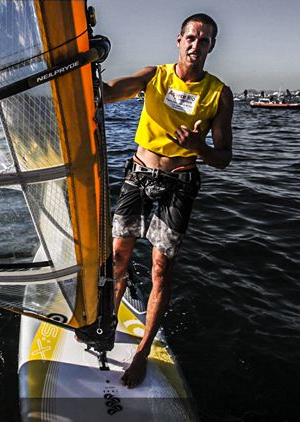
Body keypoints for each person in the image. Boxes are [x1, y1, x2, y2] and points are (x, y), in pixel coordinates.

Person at [102, 13, 233, 388]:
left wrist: (198, 148)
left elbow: (223, 156)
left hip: (179, 183)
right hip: (138, 175)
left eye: (204, 40)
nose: (196, 45)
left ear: (211, 46)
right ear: (179, 40)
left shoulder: (219, 93)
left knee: (160, 269)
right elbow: (110, 91)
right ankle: (107, 322)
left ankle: (142, 350)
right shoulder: (154, 77)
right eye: (191, 37)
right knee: (117, 258)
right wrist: (89, 72)